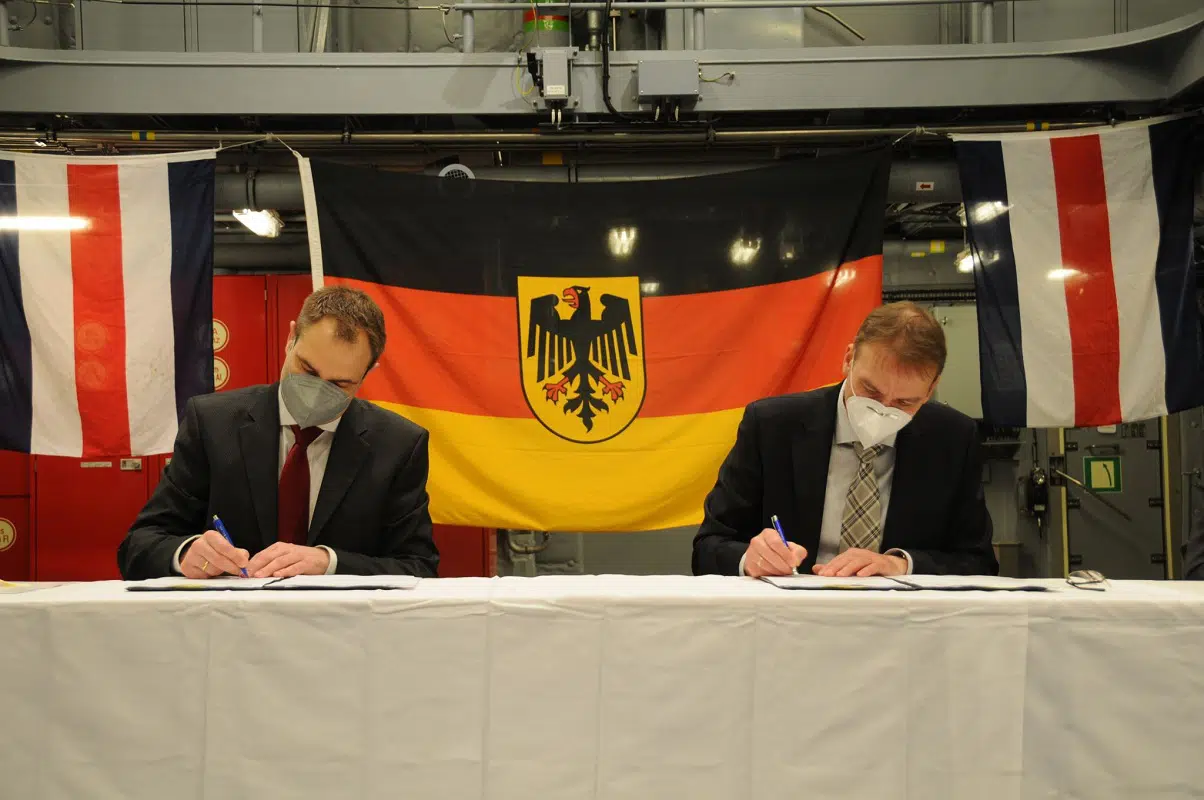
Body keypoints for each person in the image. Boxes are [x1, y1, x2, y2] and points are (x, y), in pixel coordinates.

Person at [118, 286, 439, 580]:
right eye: (307, 369)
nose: (315, 393)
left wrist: (328, 563)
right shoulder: (213, 424)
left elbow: (418, 567)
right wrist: (185, 553)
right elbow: (139, 545)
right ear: (290, 338)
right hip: (232, 619)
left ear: (368, 373)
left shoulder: (398, 445)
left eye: (339, 384)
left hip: (342, 623)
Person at [693, 301, 997, 578]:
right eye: (870, 390)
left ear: (931, 389)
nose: (882, 409)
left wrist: (901, 565)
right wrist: (750, 558)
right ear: (849, 359)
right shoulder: (772, 425)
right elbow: (708, 546)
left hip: (900, 615)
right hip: (790, 612)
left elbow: (978, 561)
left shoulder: (953, 439)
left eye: (905, 402)